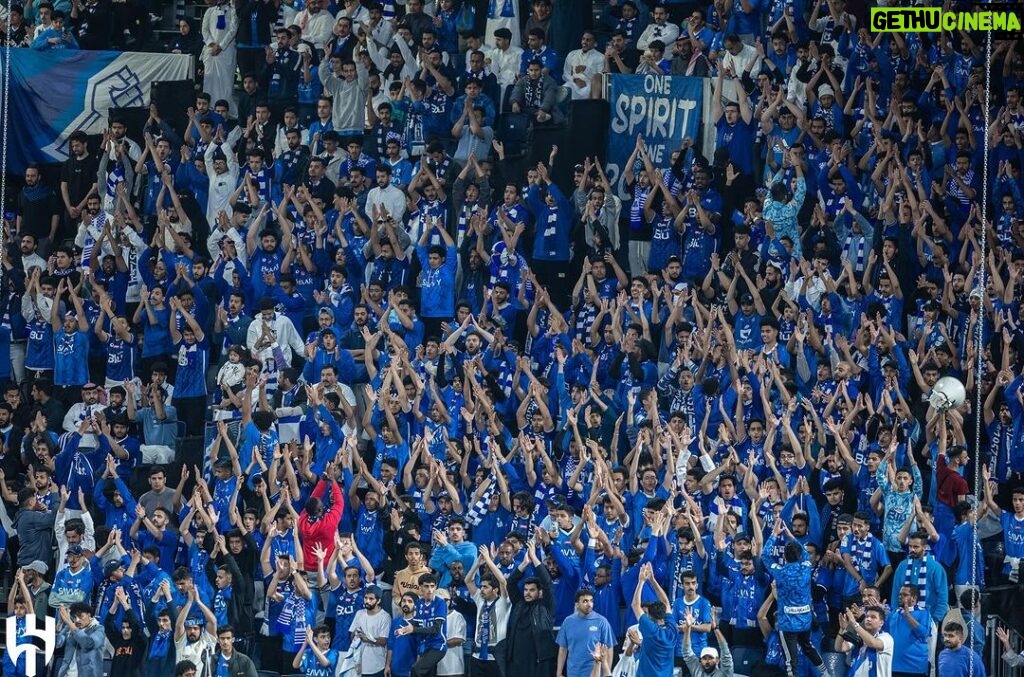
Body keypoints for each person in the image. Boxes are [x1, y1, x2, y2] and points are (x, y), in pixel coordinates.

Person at [556, 590, 615, 677]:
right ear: (577, 604)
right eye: (585, 601)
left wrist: (607, 674)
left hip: (595, 673)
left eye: (591, 601)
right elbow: (563, 648)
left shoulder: (602, 622)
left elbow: (609, 648)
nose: (589, 604)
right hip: (573, 672)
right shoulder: (568, 622)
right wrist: (559, 672)